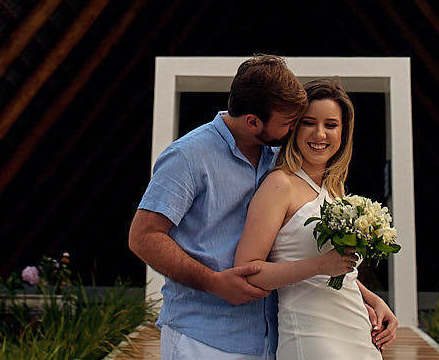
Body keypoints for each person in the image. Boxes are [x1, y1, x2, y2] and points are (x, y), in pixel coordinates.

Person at [129, 55, 307, 359]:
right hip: (201, 339)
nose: (292, 131)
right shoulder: (187, 156)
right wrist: (213, 283)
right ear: (252, 121)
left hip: (269, 341)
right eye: (286, 123)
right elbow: (143, 237)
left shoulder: (279, 157)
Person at [234, 77, 396, 358]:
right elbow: (249, 272)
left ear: (343, 133)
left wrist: (372, 298)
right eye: (309, 122)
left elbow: (338, 269)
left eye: (331, 125)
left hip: (355, 327)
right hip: (310, 335)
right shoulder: (280, 185)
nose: (320, 134)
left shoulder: (335, 191)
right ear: (294, 127)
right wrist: (320, 265)